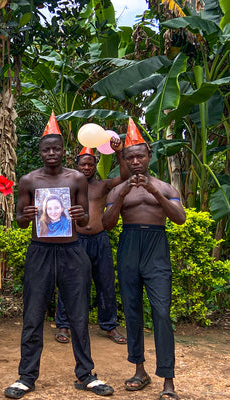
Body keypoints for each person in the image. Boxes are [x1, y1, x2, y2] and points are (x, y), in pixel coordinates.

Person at [4, 112, 114, 399]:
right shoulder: (29, 180)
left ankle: (86, 375)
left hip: (71, 250)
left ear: (64, 150)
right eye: (46, 149)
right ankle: (26, 377)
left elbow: (85, 219)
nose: (51, 153)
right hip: (40, 252)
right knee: (33, 314)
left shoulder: (76, 178)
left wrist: (79, 213)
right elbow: (20, 220)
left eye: (56, 148)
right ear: (39, 152)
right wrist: (25, 215)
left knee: (78, 315)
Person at [102, 118, 186, 400]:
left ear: (149, 157)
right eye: (130, 157)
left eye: (141, 156)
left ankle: (168, 380)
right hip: (129, 246)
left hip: (156, 248)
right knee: (133, 311)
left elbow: (179, 219)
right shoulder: (117, 190)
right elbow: (108, 223)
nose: (136, 161)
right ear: (124, 159)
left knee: (161, 313)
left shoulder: (164, 188)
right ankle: (140, 370)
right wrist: (125, 191)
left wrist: (152, 192)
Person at [55, 143, 128, 345]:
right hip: (76, 240)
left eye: (90, 164)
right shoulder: (69, 185)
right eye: (83, 164)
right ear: (76, 165)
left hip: (100, 239)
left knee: (105, 283)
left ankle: (109, 325)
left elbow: (124, 176)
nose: (86, 168)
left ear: (95, 165)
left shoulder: (102, 185)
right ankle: (63, 324)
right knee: (70, 282)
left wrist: (119, 152)